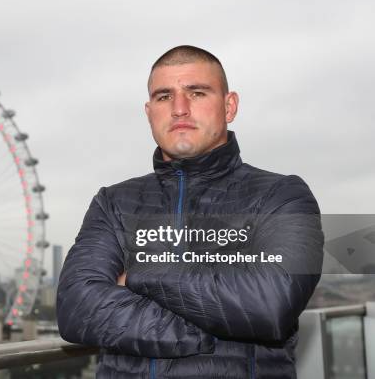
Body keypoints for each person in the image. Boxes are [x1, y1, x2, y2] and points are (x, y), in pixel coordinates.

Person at [56, 45, 324, 378]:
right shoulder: (111, 202)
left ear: (230, 106)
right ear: (149, 111)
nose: (179, 109)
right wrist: (203, 331)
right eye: (164, 97)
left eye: (196, 93)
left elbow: (270, 305)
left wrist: (140, 275)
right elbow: (75, 307)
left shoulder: (282, 195)